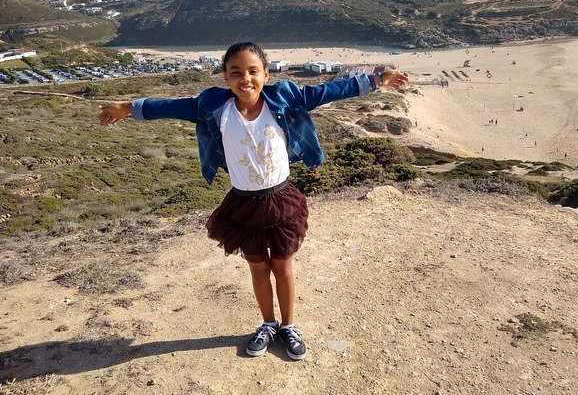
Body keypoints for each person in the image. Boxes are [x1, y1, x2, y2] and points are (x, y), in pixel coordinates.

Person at [99, 42, 409, 361]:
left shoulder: (286, 96)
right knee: (258, 270)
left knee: (283, 268)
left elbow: (331, 90)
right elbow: (167, 107)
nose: (245, 79)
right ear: (225, 77)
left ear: (265, 73)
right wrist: (128, 107)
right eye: (236, 73)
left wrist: (376, 79)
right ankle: (268, 323)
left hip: (281, 201)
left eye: (252, 71)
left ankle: (288, 327)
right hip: (243, 205)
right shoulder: (211, 106)